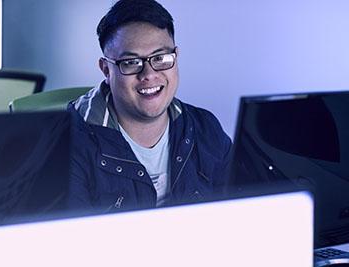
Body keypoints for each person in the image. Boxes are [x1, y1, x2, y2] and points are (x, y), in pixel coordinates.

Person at [67, 0, 232, 214]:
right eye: (131, 62)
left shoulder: (205, 127)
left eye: (161, 58)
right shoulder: (68, 143)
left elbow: (241, 208)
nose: (149, 75)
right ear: (106, 70)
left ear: (176, 58)